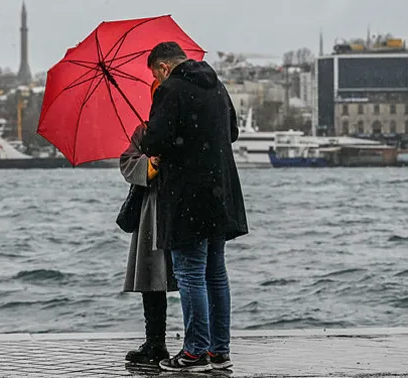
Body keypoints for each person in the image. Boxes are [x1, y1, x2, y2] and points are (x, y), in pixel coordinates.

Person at [140, 42, 249, 372]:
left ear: (162, 67)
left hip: (187, 196)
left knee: (190, 274)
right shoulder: (217, 84)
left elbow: (156, 142)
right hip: (221, 193)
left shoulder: (170, 89)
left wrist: (151, 136)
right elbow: (232, 132)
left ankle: (195, 351)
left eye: (155, 74)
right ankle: (219, 351)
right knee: (216, 274)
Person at [120, 79, 179, 367]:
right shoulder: (143, 131)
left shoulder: (179, 127)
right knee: (151, 279)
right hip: (151, 211)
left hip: (177, 207)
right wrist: (150, 164)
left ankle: (194, 343)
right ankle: (155, 342)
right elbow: (127, 162)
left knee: (188, 277)